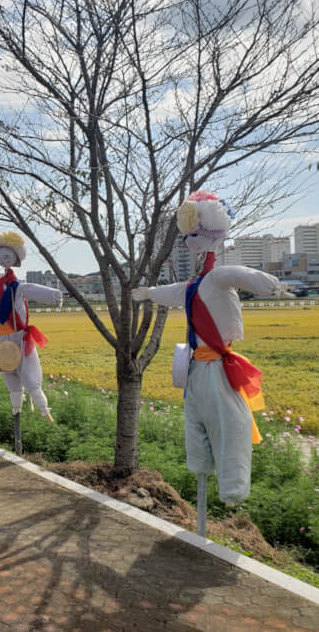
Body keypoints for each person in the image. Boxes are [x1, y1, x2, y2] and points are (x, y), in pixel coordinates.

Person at [131, 190, 286, 505]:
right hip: (195, 369)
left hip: (216, 365)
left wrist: (266, 282)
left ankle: (233, 486)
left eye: (195, 235)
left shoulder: (214, 278)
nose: (190, 241)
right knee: (196, 419)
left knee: (230, 424)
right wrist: (149, 293)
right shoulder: (195, 284)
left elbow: (237, 275)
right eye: (188, 236)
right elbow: (175, 292)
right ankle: (201, 466)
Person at [0, 231, 62, 422]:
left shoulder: (18, 287)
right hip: (2, 336)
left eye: (7, 257)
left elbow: (34, 289)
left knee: (29, 373)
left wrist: (54, 296)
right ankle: (16, 405)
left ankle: (43, 408)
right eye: (0, 257)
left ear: (16, 258)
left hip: (19, 336)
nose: (3, 260)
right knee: (7, 370)